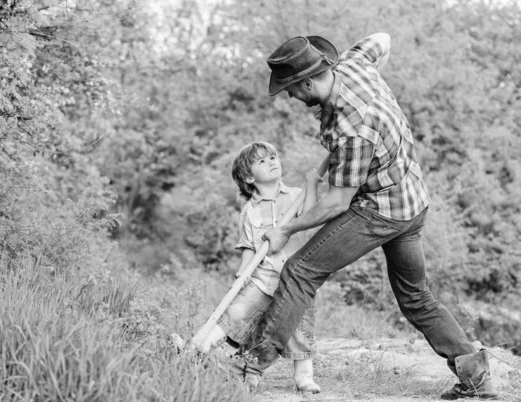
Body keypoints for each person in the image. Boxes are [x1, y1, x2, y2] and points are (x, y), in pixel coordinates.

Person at [231, 33, 498, 400]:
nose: (290, 97)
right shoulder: (355, 64)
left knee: (301, 270)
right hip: (412, 201)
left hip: (380, 212)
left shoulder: (351, 127)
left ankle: (251, 364)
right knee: (416, 297)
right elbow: (383, 39)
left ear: (307, 82)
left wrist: (285, 228)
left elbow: (337, 203)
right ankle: (475, 377)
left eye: (291, 89)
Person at [200, 141, 324, 392]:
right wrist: (242, 272)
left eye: (274, 157)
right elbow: (248, 245)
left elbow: (310, 218)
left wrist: (311, 185)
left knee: (299, 329)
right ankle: (200, 347)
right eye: (263, 161)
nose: (272, 162)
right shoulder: (249, 210)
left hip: (297, 278)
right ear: (248, 177)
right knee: (237, 312)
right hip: (263, 277)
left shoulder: (295, 196)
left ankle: (304, 377)